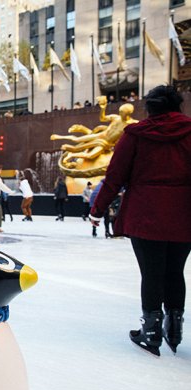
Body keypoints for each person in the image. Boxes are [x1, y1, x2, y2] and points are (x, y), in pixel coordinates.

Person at [90, 85, 191, 356]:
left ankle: (151, 332)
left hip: (146, 214)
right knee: (175, 271)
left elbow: (115, 175)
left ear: (150, 108)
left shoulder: (136, 134)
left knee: (152, 272)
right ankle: (174, 329)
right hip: (184, 214)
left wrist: (97, 210)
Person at [51, 96, 138, 169]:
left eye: (122, 112)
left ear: (128, 113)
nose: (120, 113)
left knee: (90, 156)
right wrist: (103, 109)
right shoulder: (116, 118)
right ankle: (59, 137)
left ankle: (71, 155)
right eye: (120, 111)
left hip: (105, 143)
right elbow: (102, 118)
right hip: (99, 135)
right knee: (77, 139)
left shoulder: (132, 123)